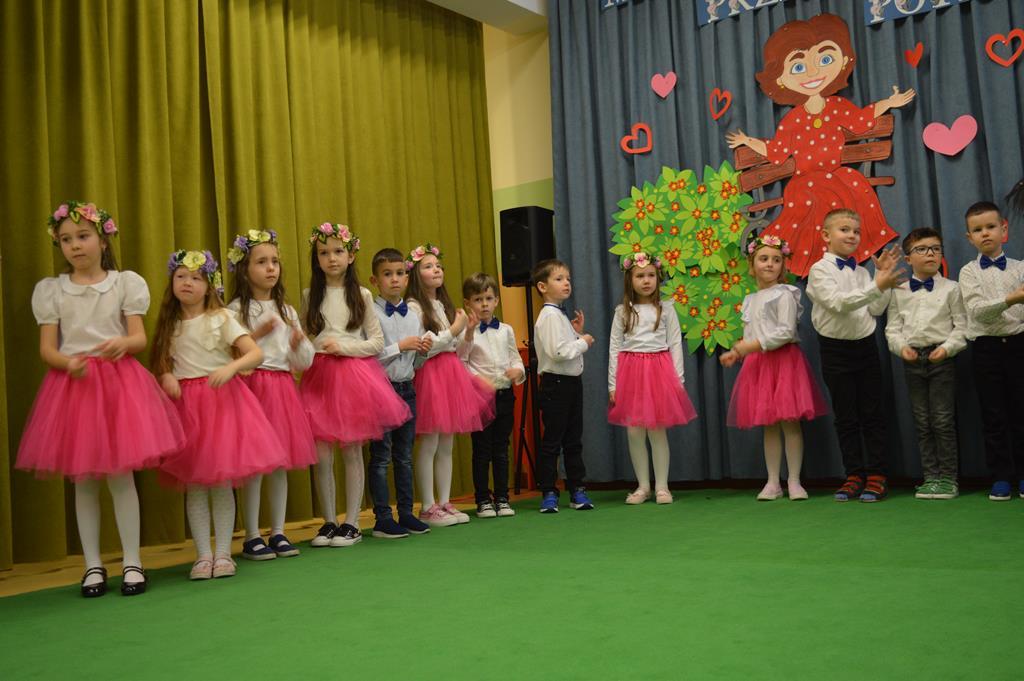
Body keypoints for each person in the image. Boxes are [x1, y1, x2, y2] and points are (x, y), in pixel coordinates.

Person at [17, 201, 184, 597]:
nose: (75, 245)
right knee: (85, 481)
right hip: (74, 389)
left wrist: (123, 344)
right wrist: (67, 363)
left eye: (83, 236)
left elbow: (138, 337)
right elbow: (47, 349)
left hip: (118, 386)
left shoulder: (124, 284)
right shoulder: (52, 291)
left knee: (121, 478)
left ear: (103, 240)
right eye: (66, 240)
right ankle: (92, 565)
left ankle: (132, 562)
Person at [725, 12, 915, 276]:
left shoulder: (837, 106)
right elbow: (776, 151)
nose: (813, 72)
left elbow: (860, 120)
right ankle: (818, 263)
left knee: (851, 186)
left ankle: (845, 256)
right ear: (780, 79)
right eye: (799, 67)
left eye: (825, 60)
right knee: (818, 194)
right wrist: (748, 141)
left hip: (835, 173)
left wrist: (888, 103)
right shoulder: (793, 119)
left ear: (842, 61)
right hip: (804, 181)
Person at [153, 249, 286, 580]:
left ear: (209, 285)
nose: (187, 283)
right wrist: (166, 376)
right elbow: (162, 361)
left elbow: (254, 353)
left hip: (222, 406)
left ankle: (224, 554)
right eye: (181, 277)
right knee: (196, 485)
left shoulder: (221, 318)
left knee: (221, 483)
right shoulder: (169, 324)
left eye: (196, 278)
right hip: (187, 409)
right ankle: (203, 555)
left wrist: (231, 367)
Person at [300, 223, 412, 546]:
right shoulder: (309, 295)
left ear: (350, 256)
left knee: (351, 449)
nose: (332, 258)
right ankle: (329, 521)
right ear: (316, 258)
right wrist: (309, 347)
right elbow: (306, 337)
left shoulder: (361, 295)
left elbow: (376, 343)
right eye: (324, 253)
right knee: (322, 453)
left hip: (352, 376)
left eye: (338, 251)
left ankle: (351, 522)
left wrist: (344, 347)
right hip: (319, 376)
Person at [226, 230, 317, 559]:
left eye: (275, 262)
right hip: (251, 388)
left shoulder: (287, 310)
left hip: (281, 389)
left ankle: (278, 531)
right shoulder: (236, 310)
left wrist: (298, 344)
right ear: (244, 268)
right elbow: (228, 354)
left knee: (279, 464)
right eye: (261, 262)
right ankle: (252, 535)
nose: (270, 268)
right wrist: (254, 334)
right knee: (254, 465)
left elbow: (303, 361)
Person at [805, 209, 904, 501]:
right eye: (845, 229)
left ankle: (877, 474)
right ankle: (853, 475)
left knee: (873, 414)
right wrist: (877, 286)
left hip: (866, 347)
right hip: (835, 350)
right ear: (826, 235)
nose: (852, 235)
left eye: (856, 231)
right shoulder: (819, 270)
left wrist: (881, 279)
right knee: (846, 416)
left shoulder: (862, 272)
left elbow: (875, 308)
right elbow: (839, 304)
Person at [721, 235, 827, 500]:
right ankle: (772, 482)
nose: (770, 264)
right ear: (752, 264)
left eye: (776, 260)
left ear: (783, 267)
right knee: (768, 425)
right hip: (759, 365)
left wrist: (750, 346)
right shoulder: (750, 299)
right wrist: (737, 352)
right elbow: (750, 334)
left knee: (790, 423)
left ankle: (794, 481)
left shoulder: (786, 294)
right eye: (764, 259)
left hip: (785, 362)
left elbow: (785, 331)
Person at [405, 244, 494, 526]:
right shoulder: (414, 306)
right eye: (428, 266)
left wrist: (466, 332)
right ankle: (427, 505)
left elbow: (456, 348)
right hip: (430, 375)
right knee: (429, 441)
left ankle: (444, 501)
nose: (436, 270)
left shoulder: (443, 305)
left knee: (446, 443)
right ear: (416, 274)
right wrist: (454, 330)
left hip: (450, 373)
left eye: (438, 266)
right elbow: (424, 347)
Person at [884, 228, 967, 500]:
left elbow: (962, 327)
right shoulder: (898, 290)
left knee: (942, 420)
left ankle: (949, 479)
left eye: (935, 248)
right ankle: (931, 478)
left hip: (941, 359)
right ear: (908, 259)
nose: (930, 253)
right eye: (922, 249)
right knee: (922, 421)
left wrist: (946, 349)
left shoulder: (952, 288)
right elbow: (892, 328)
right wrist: (901, 348)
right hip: (912, 360)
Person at [607, 252, 696, 505]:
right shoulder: (623, 312)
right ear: (630, 279)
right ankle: (643, 486)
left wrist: (678, 380)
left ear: (658, 278)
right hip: (631, 373)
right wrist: (613, 384)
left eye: (650, 275)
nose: (646, 281)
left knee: (657, 430)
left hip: (659, 372)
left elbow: (675, 343)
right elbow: (615, 347)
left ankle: (662, 487)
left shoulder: (666, 309)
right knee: (634, 431)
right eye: (640, 276)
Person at [958, 202, 1024, 501]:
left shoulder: (1020, 268)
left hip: (1019, 344)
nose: (985, 233)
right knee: (993, 414)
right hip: (986, 348)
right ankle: (1000, 476)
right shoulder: (968, 272)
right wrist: (1012, 299)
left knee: (1021, 412)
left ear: (1004, 229)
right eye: (977, 229)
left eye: (990, 227)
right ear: (969, 237)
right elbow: (976, 311)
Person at [366, 248, 433, 537]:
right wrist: (399, 347)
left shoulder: (413, 315)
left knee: (404, 456)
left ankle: (406, 513)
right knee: (381, 456)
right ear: (375, 280)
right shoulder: (371, 313)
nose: (395, 279)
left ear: (407, 278)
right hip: (381, 390)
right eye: (387, 274)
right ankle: (382, 517)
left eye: (400, 273)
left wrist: (422, 353)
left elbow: (414, 363)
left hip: (407, 388)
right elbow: (369, 357)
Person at [458, 272, 525, 517]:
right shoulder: (466, 332)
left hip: (504, 394)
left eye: (488, 298)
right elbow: (461, 361)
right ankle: (483, 500)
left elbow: (515, 357)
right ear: (468, 303)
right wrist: (478, 381)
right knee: (482, 450)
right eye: (478, 299)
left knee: (501, 448)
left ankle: (503, 498)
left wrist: (518, 371)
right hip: (480, 398)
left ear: (496, 300)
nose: (484, 304)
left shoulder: (505, 330)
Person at [531, 259, 595, 513]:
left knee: (573, 440)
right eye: (558, 279)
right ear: (542, 286)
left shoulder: (558, 315)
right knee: (553, 441)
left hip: (571, 384)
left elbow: (563, 345)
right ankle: (549, 491)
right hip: (556, 385)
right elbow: (558, 352)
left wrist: (575, 332)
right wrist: (584, 342)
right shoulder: (548, 316)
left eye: (567, 278)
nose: (566, 283)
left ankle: (577, 488)